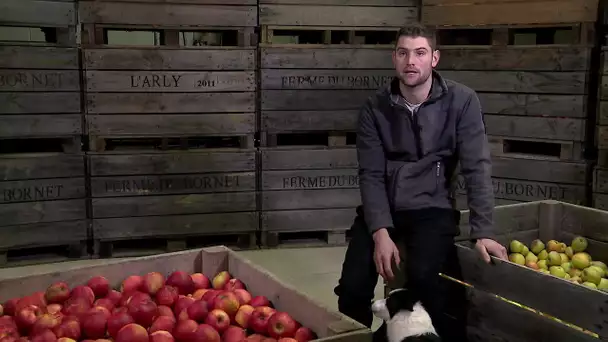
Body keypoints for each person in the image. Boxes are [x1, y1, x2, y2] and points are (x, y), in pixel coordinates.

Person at [333, 22, 508, 341]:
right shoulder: (375, 108)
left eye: (420, 53)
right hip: (385, 206)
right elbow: (370, 174)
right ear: (394, 58)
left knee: (428, 282)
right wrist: (380, 232)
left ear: (435, 59)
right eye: (403, 53)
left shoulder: (462, 101)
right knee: (353, 287)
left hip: (433, 207)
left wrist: (483, 231)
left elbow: (476, 166)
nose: (410, 61)